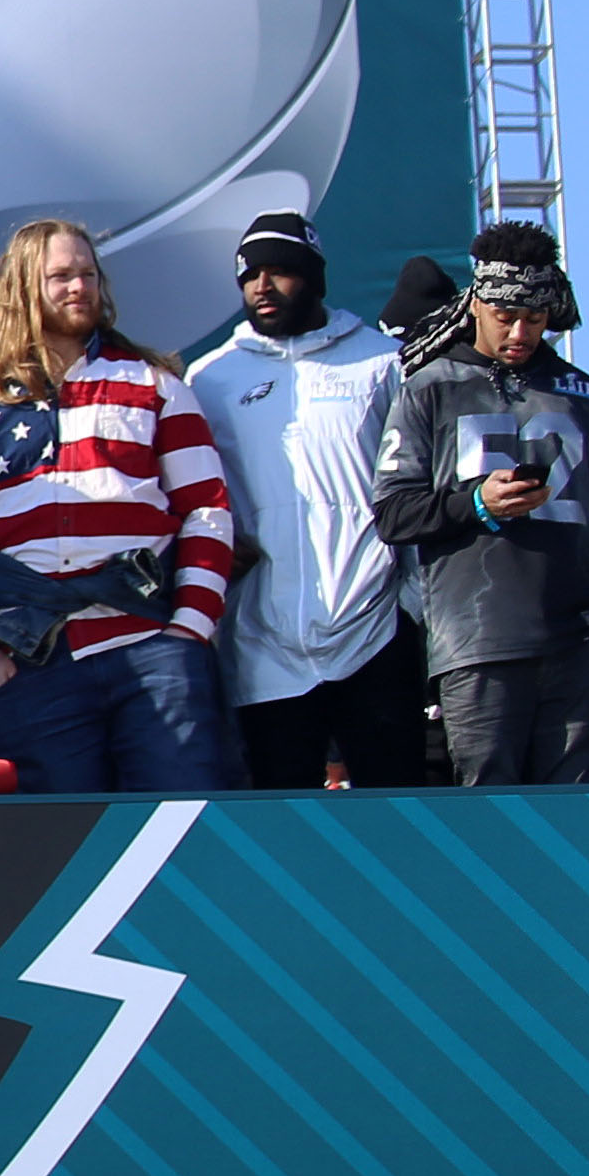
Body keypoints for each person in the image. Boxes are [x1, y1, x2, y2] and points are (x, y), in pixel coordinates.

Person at [0, 218, 240, 796]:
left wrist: (190, 628)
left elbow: (207, 510)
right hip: (30, 665)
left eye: (87, 274)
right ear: (22, 287)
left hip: (151, 649)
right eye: (61, 276)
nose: (79, 288)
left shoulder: (156, 384)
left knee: (180, 830)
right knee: (54, 850)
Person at [370, 233, 589, 785]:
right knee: (491, 818)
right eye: (506, 315)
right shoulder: (429, 388)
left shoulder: (582, 393)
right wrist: (478, 503)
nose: (520, 333)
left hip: (578, 643)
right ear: (476, 305)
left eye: (535, 318)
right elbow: (393, 514)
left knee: (575, 814)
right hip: (476, 644)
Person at [190, 211, 422, 792]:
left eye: (280, 272)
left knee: (396, 810)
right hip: (264, 637)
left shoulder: (379, 361)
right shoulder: (210, 378)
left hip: (372, 627)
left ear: (315, 277)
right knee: (280, 812)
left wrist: (412, 608)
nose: (263, 287)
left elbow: (413, 488)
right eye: (251, 276)